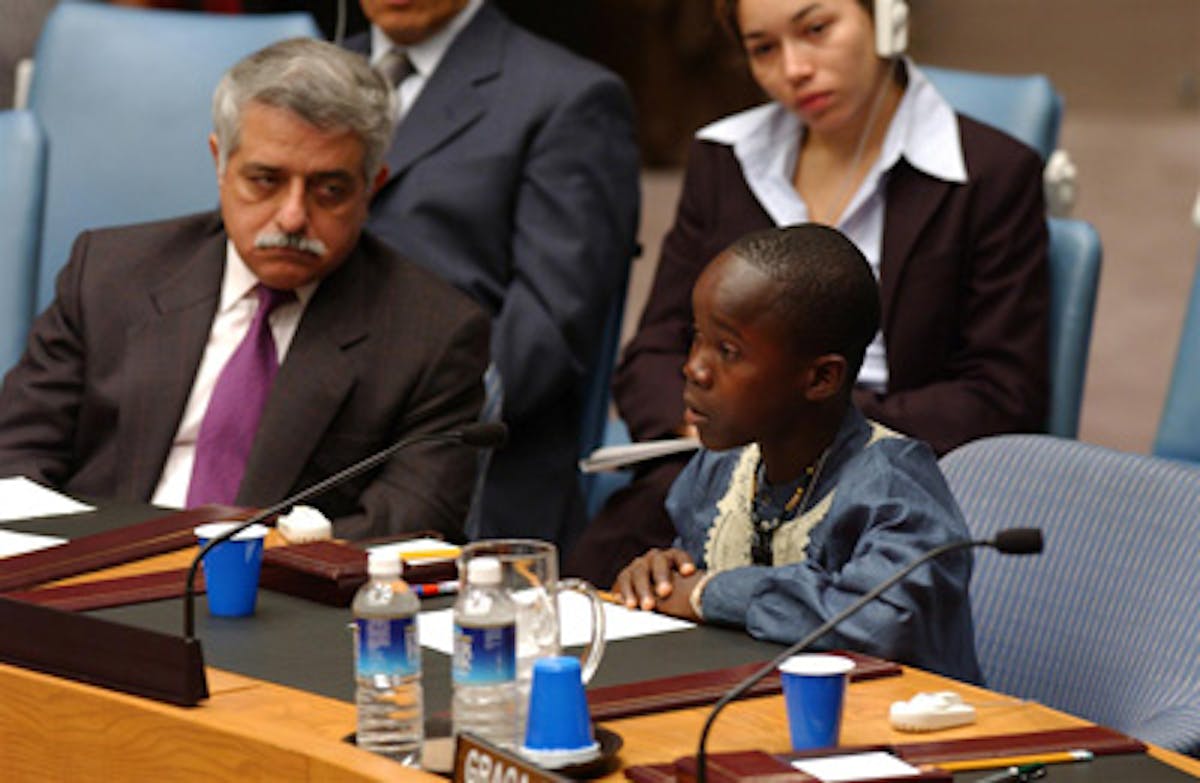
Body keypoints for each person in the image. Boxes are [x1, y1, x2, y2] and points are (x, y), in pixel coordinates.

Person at [568, 0, 1049, 586]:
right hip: (717, 468)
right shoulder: (726, 157)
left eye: (816, 30)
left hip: (888, 478)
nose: (793, 69)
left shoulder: (990, 173)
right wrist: (700, 421)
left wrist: (795, 425)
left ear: (888, 17)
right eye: (763, 48)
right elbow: (654, 351)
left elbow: (1001, 395)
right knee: (593, 605)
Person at [0, 38, 491, 542]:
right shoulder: (110, 273)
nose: (293, 216)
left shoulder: (431, 334)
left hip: (275, 600)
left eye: (330, 190)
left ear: (373, 188)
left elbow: (408, 526)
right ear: (220, 162)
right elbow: (15, 457)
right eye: (265, 180)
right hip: (86, 578)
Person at [613, 225, 982, 683]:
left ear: (820, 378)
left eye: (727, 350)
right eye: (696, 337)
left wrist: (712, 593)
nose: (694, 367)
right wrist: (663, 576)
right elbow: (694, 590)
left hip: (903, 734)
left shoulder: (891, 487)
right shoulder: (722, 468)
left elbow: (885, 622)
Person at [343, 0, 640, 554]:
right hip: (297, 441)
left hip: (470, 456)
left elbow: (547, 329)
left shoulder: (568, 96)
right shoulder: (306, 73)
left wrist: (376, 418)